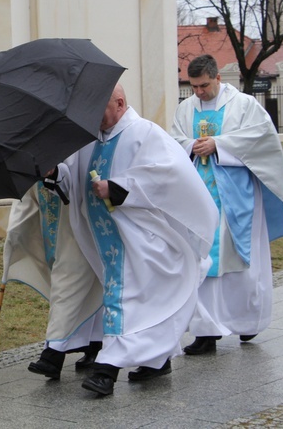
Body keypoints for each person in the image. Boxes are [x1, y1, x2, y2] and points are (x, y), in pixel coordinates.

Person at [48, 83, 219, 395]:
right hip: (108, 242)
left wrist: (117, 187)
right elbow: (71, 179)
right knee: (137, 302)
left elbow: (170, 176)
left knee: (129, 301)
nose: (91, 118)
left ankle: (107, 370)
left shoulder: (145, 133)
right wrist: (52, 173)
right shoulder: (90, 141)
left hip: (144, 241)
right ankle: (157, 360)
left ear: (120, 103)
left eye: (97, 110)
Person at [170, 54, 283, 355]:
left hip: (236, 199)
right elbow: (173, 141)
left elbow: (263, 140)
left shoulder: (244, 105)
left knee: (239, 262)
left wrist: (219, 144)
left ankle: (247, 321)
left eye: (203, 86)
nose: (198, 92)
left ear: (217, 79)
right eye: (193, 87)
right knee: (202, 263)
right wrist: (190, 146)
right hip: (199, 198)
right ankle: (206, 331)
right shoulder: (186, 108)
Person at [3, 181, 104, 380]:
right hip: (53, 237)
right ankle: (93, 345)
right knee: (83, 291)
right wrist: (13, 234)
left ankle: (53, 355)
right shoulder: (34, 160)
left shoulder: (74, 155)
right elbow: (25, 200)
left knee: (69, 289)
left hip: (79, 231)